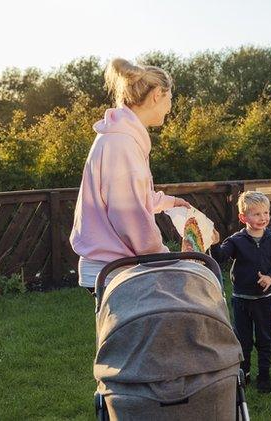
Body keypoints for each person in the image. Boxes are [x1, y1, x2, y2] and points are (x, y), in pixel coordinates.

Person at [68, 58, 193, 294]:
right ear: (157, 95)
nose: (170, 107)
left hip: (117, 266)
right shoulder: (121, 143)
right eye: (170, 99)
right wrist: (165, 258)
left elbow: (134, 195)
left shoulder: (123, 137)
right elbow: (128, 213)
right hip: (114, 270)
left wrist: (170, 202)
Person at [208, 191, 271, 393]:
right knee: (243, 341)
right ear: (243, 218)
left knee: (264, 339)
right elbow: (220, 256)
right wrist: (215, 242)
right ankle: (245, 374)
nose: (263, 218)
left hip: (264, 301)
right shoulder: (236, 241)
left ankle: (264, 376)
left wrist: (270, 277)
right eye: (256, 214)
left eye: (266, 213)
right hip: (241, 300)